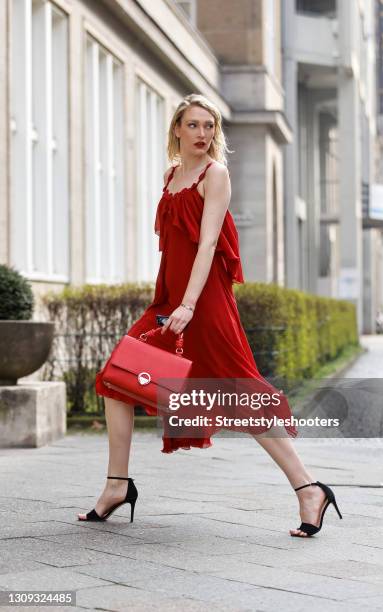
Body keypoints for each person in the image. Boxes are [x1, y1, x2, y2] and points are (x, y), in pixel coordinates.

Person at [78, 94, 342, 537]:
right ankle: (117, 484)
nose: (203, 134)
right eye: (194, 125)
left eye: (209, 126)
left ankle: (309, 488)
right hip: (168, 302)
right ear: (177, 130)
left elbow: (207, 245)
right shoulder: (170, 177)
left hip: (204, 304)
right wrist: (171, 302)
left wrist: (188, 305)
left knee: (239, 396)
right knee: (115, 379)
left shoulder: (214, 175)